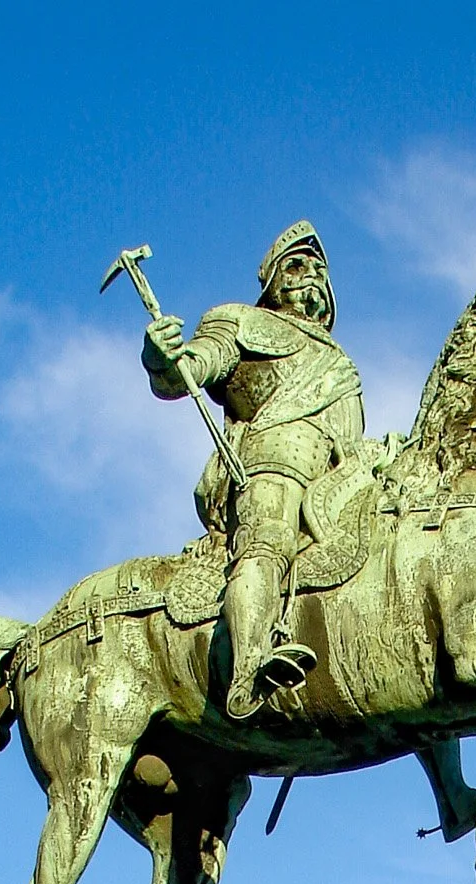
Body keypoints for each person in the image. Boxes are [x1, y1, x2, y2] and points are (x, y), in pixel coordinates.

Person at [141, 222, 366, 719]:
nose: (310, 275)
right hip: (274, 460)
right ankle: (248, 671)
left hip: (341, 475)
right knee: (268, 541)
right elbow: (191, 368)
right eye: (295, 265)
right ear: (272, 280)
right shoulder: (240, 321)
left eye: (317, 268)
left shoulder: (340, 361)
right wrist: (162, 356)